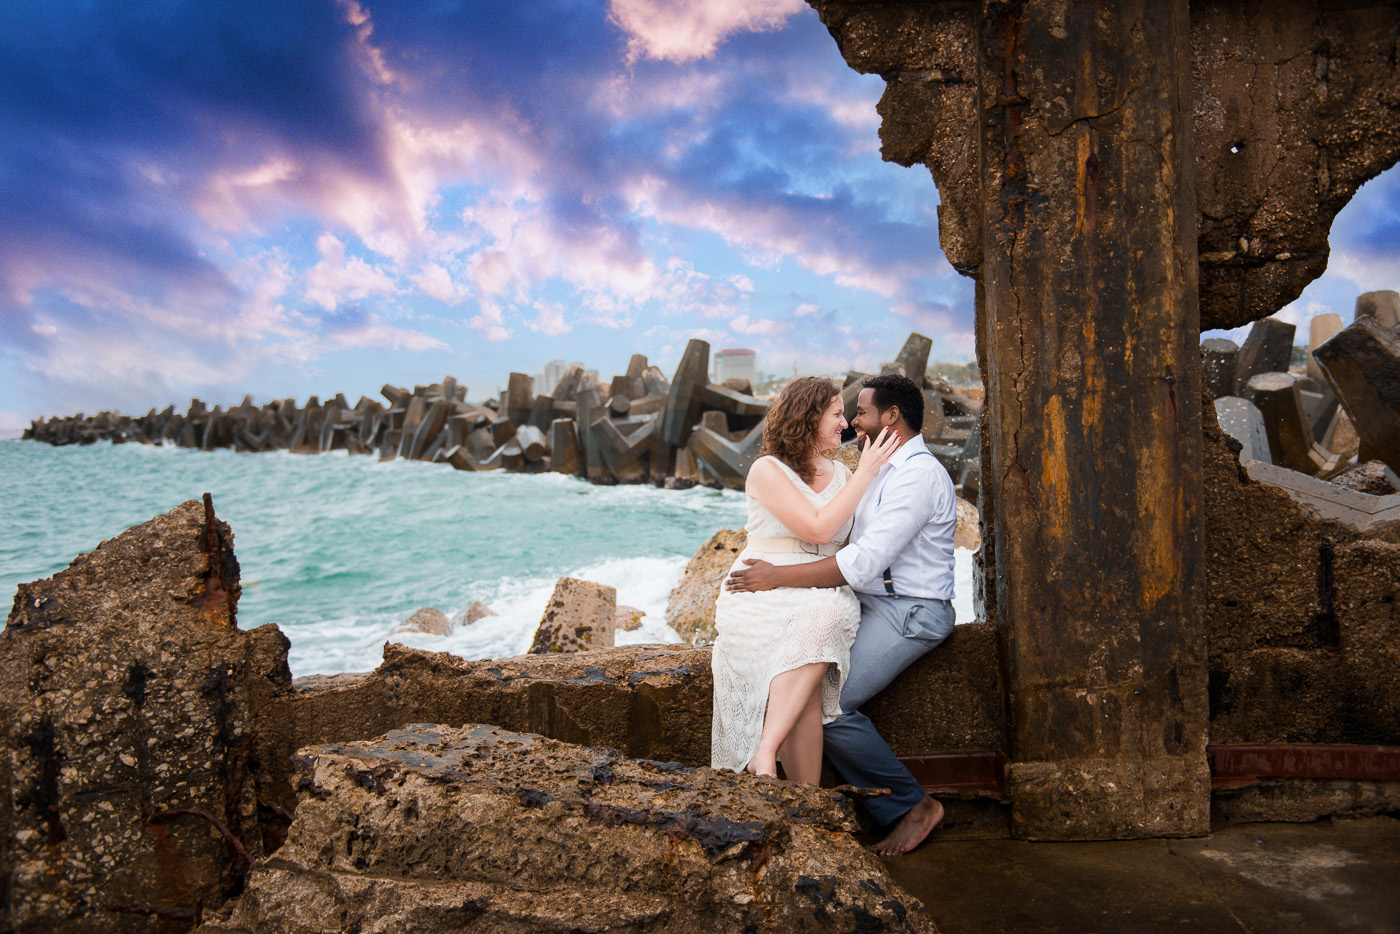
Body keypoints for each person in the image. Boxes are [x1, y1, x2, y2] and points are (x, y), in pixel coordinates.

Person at [725, 373, 957, 856]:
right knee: (797, 676)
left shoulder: (915, 475)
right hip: (875, 603)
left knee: (829, 702)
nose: (853, 421)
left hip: (910, 611)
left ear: (890, 417)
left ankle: (912, 805)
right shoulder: (881, 467)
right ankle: (805, 810)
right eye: (843, 413)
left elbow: (861, 561)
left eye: (862, 412)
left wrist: (778, 576)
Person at [710, 375, 900, 785]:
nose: (846, 424)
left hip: (820, 589)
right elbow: (817, 529)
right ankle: (787, 781)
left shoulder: (843, 476)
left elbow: (850, 544)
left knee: (821, 621)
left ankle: (772, 763)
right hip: (760, 591)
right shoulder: (767, 470)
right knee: (807, 678)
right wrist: (867, 472)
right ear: (809, 417)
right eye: (835, 413)